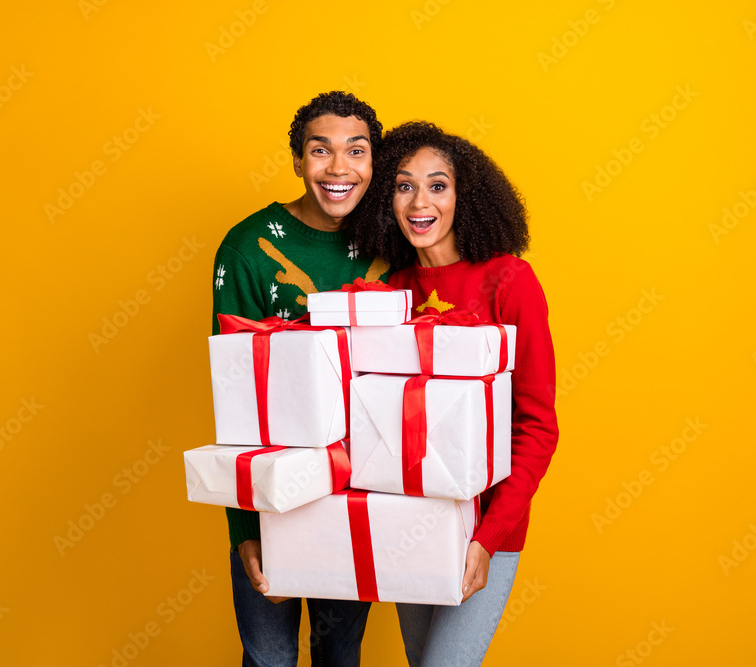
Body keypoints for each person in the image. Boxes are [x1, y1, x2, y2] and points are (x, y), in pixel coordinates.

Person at [347, 121, 559, 667]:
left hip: (487, 528)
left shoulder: (510, 281)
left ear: (466, 197)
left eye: (438, 185)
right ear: (385, 200)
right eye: (403, 185)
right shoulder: (389, 294)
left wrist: (488, 539)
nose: (420, 201)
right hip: (407, 521)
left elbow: (537, 426)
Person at [211, 91, 389, 666]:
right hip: (269, 493)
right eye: (321, 151)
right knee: (267, 657)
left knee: (341, 652)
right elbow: (234, 397)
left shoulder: (394, 242)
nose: (339, 168)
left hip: (359, 488)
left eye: (355, 151)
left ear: (374, 162)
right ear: (296, 160)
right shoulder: (246, 248)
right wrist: (245, 529)